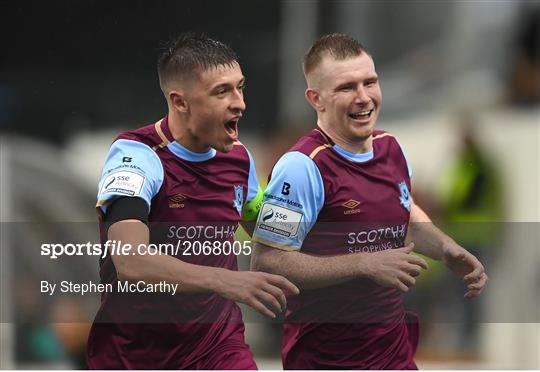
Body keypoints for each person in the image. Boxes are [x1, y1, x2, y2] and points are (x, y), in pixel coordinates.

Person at [251, 33, 488, 369]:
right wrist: (364, 263)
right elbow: (267, 261)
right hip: (327, 360)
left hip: (393, 355)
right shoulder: (301, 167)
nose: (364, 97)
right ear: (316, 98)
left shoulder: (392, 149)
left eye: (370, 82)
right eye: (346, 87)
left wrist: (446, 247)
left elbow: (404, 215)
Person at [86, 33, 298, 370]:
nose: (239, 103)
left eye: (240, 87)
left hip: (219, 349)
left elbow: (272, 228)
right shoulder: (136, 156)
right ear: (180, 101)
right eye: (221, 92)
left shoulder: (239, 158)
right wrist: (224, 280)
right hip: (134, 356)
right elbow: (130, 260)